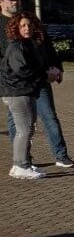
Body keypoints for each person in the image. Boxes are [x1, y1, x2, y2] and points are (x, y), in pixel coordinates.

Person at [0, 0, 74, 167]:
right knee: (18, 123)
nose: (14, 2)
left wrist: (57, 68)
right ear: (1, 2)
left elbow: (46, 45)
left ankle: (61, 155)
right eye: (10, 0)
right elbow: (10, 61)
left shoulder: (29, 21)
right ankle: (22, 160)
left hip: (40, 80)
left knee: (49, 116)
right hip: (16, 84)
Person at [1, 12, 48, 179]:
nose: (27, 28)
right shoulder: (17, 47)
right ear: (16, 28)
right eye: (22, 26)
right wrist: (44, 76)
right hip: (18, 92)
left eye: (29, 25)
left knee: (26, 129)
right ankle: (21, 165)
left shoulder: (24, 44)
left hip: (22, 91)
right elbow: (21, 70)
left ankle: (20, 164)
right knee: (25, 130)